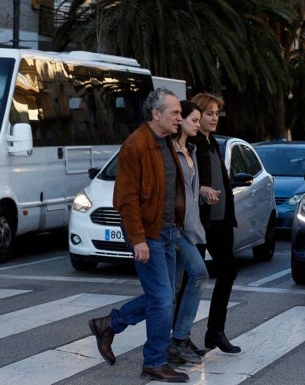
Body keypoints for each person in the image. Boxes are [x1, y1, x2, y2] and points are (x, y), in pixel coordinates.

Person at [88, 88, 189, 383]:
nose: (179, 118)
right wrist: (138, 239)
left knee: (163, 298)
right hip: (149, 234)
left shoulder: (166, 142)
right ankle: (154, 361)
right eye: (174, 113)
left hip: (168, 231)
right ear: (155, 114)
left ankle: (109, 324)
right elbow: (125, 198)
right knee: (162, 299)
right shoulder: (135, 145)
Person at [188, 92, 241, 354]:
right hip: (200, 221)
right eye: (209, 113)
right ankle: (181, 337)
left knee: (228, 270)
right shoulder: (191, 143)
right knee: (192, 278)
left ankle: (215, 331)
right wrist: (202, 189)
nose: (213, 118)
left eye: (216, 113)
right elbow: (186, 182)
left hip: (220, 220)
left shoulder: (213, 143)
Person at [168, 100, 209, 365]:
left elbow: (189, 192)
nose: (198, 123)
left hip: (190, 227)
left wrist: (203, 193)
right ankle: (178, 338)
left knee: (173, 289)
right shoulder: (169, 151)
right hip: (175, 227)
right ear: (180, 120)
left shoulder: (189, 151)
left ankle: (174, 342)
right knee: (199, 273)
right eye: (194, 119)